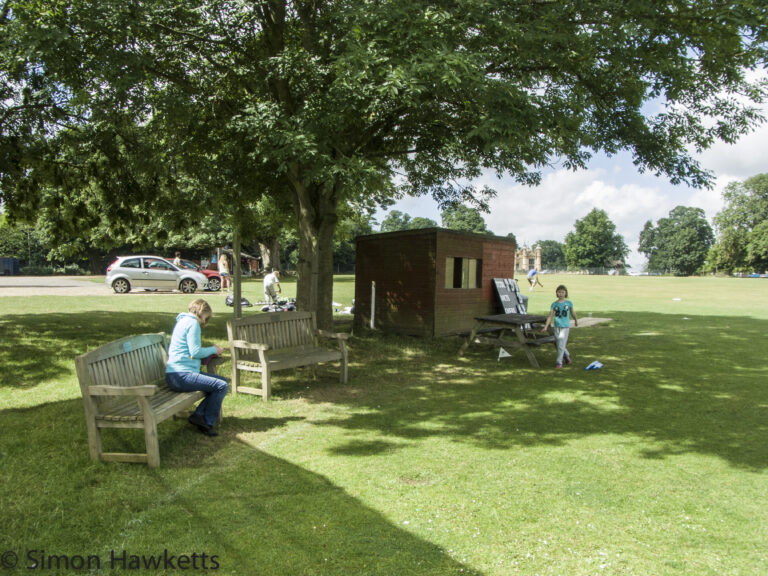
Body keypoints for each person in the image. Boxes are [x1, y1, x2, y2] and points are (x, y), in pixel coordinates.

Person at [165, 299, 228, 436]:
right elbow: (195, 352)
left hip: (176, 375)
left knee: (223, 382)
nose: (205, 321)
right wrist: (213, 349)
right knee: (221, 385)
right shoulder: (193, 323)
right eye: (206, 317)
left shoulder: (183, 321)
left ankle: (199, 415)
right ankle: (207, 422)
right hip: (181, 375)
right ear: (201, 312)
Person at [541, 284, 578, 368]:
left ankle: (559, 362)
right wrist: (546, 326)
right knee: (559, 344)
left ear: (565, 293)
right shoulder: (554, 304)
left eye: (562, 292)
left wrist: (576, 320)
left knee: (561, 344)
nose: (561, 294)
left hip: (565, 326)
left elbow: (572, 313)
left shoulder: (569, 303)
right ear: (557, 293)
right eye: (559, 292)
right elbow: (550, 316)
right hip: (557, 326)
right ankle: (567, 356)